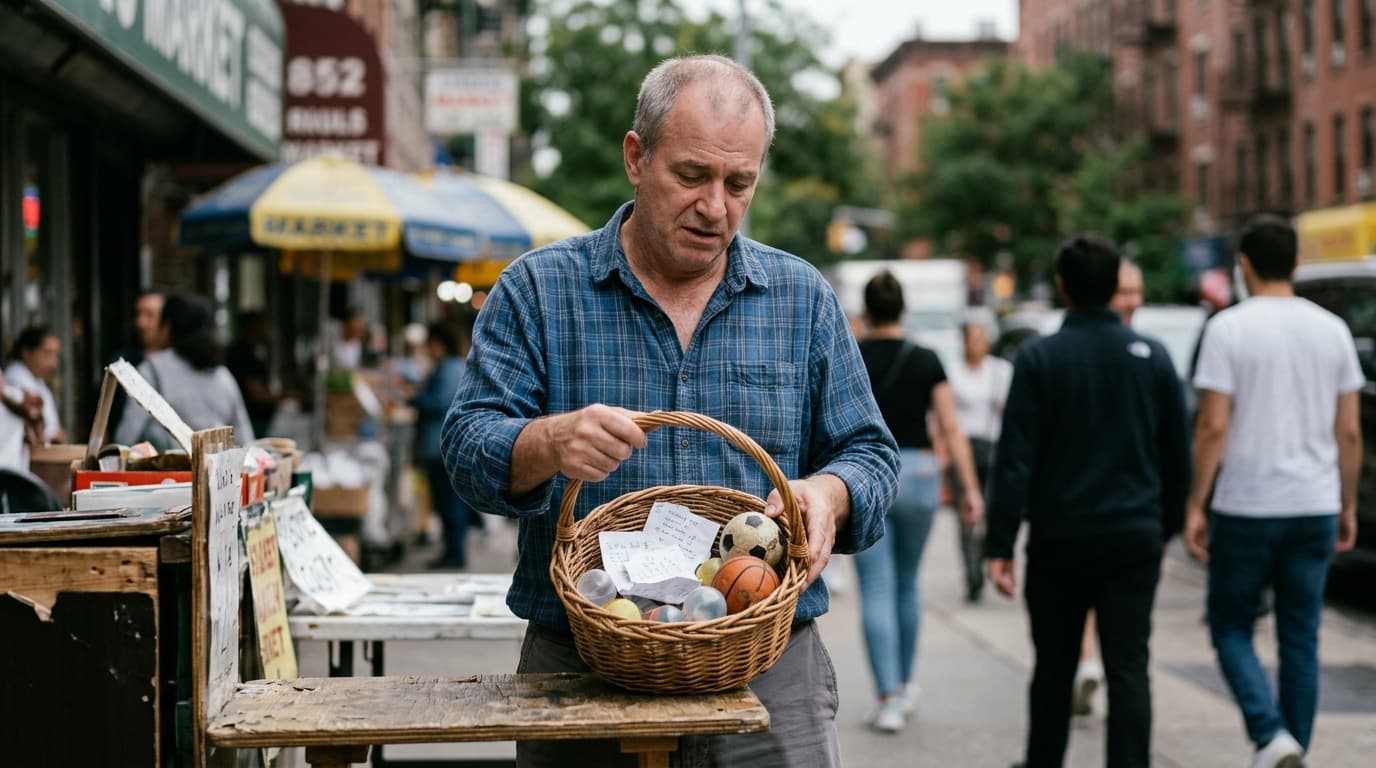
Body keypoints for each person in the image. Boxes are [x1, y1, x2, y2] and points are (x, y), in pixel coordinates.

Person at [441, 54, 899, 768]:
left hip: (768, 669)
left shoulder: (801, 298)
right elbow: (468, 447)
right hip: (581, 667)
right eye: (691, 176)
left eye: (738, 183)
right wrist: (545, 441)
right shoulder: (538, 290)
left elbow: (871, 454)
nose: (715, 206)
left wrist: (828, 493)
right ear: (636, 156)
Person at [986, 234, 1190, 768]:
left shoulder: (1038, 358)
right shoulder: (1153, 359)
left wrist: (1001, 543)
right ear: (1113, 287)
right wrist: (1166, 527)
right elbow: (1177, 455)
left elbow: (1015, 461)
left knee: (1053, 667)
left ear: (1063, 287)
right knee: (1128, 668)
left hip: (1061, 539)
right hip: (1134, 537)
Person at [1184, 214, 1362, 768]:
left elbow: (1213, 426)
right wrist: (1347, 502)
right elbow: (1350, 430)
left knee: (1231, 625)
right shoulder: (1331, 329)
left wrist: (1196, 502)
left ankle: (1269, 735)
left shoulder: (1229, 329)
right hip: (1313, 502)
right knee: (1300, 636)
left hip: (1247, 504)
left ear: (1244, 266)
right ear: (1297, 263)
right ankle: (1293, 747)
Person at [854, 273, 984, 734]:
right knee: (908, 583)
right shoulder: (927, 359)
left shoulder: (854, 356)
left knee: (876, 588)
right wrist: (970, 489)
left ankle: (888, 697)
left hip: (868, 476)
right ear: (902, 309)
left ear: (866, 312)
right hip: (923, 476)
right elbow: (951, 427)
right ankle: (907, 685)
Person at [1073, 257, 1146, 714]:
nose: (1132, 301)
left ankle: (1089, 663)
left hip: (1123, 510)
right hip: (1088, 507)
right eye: (1124, 291)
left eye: (1138, 292)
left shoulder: (1148, 354)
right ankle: (1086, 662)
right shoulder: (1064, 353)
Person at [114, 293, 255, 448]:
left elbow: (126, 438)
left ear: (167, 327)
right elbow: (245, 440)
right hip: (217, 470)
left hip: (170, 470)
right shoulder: (223, 376)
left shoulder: (150, 372)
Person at [944, 320, 1011, 603]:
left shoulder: (1001, 371)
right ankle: (972, 573)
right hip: (963, 447)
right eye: (972, 337)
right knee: (966, 514)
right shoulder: (954, 373)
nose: (977, 343)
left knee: (993, 508)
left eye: (981, 337)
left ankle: (986, 552)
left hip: (993, 447)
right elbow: (944, 416)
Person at [413, 319, 471, 569]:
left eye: (430, 345)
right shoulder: (455, 366)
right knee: (448, 502)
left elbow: (440, 402)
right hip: (444, 446)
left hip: (441, 447)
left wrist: (417, 399)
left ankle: (454, 554)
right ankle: (451, 551)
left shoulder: (449, 368)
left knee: (449, 503)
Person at [105, 290, 165, 430]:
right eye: (138, 314)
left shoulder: (178, 364)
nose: (141, 323)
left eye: (149, 315)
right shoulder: (121, 363)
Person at [5, 326, 65, 461]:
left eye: (56, 355)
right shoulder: (16, 378)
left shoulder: (38, 381)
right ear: (26, 352)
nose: (54, 363)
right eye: (47, 353)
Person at [226, 311, 281, 438]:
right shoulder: (242, 355)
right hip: (252, 418)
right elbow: (258, 395)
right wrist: (284, 397)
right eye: (262, 327)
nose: (265, 332)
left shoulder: (250, 351)